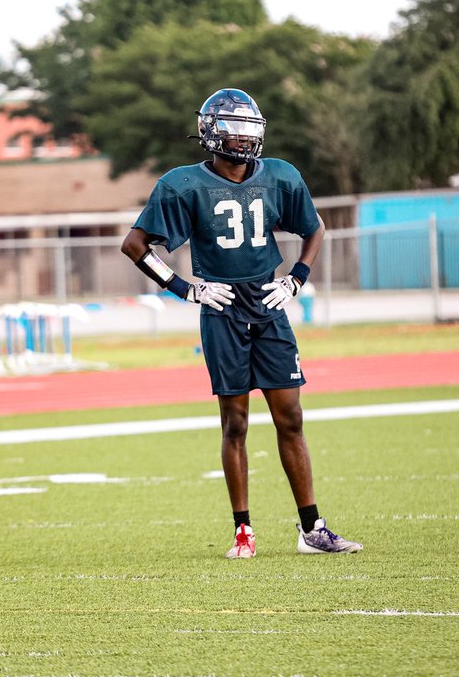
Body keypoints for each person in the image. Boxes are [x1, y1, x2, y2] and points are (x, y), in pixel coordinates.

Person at [121, 87, 362, 559]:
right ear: (212, 134)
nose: (243, 139)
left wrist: (296, 279)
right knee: (235, 423)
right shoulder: (182, 184)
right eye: (234, 130)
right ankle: (243, 532)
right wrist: (186, 288)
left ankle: (312, 528)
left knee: (290, 417)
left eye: (249, 129)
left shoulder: (280, 175)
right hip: (221, 306)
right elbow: (134, 245)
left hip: (269, 301)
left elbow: (314, 229)